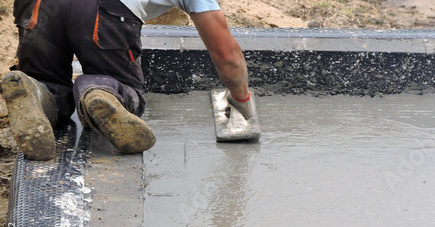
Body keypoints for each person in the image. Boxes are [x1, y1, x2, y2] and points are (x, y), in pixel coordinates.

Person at [1, 0, 254, 160]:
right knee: (122, 88)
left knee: (49, 85)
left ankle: (35, 91)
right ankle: (103, 92)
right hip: (104, 10)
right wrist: (242, 99)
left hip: (38, 6)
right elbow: (226, 56)